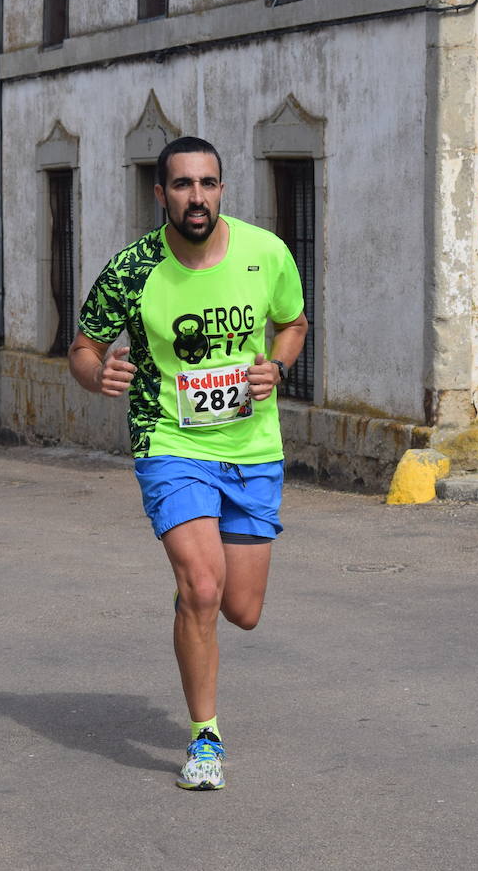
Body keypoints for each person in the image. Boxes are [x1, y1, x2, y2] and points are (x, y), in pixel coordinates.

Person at [69, 136, 309, 791]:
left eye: (207, 184)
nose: (195, 197)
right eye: (181, 185)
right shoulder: (133, 269)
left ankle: (193, 592)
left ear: (222, 190)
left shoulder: (267, 253)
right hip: (170, 442)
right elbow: (84, 347)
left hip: (253, 448)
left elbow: (293, 323)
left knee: (242, 608)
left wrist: (277, 365)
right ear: (161, 194)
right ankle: (206, 737)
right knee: (205, 588)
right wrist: (100, 377)